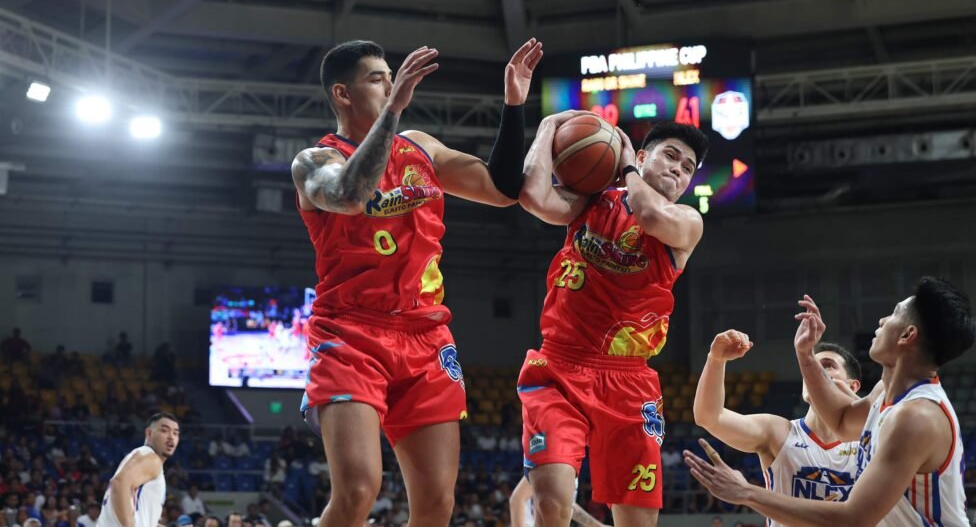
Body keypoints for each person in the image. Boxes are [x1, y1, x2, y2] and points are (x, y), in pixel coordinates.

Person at [290, 38, 543, 527]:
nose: (391, 84)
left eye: (392, 75)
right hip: (349, 333)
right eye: (377, 78)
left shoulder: (422, 147)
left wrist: (514, 105)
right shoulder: (314, 162)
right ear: (342, 93)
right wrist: (395, 110)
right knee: (359, 491)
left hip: (425, 336)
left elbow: (501, 190)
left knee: (436, 505)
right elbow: (350, 196)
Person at [517, 118, 708, 526]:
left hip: (628, 381)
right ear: (642, 156)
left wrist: (626, 170)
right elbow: (533, 197)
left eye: (688, 167)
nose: (678, 169)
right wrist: (549, 126)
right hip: (559, 367)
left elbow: (650, 217)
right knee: (551, 500)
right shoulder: (592, 201)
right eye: (670, 156)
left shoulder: (687, 221)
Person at [684, 276, 976, 527]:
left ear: (907, 335)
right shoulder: (884, 396)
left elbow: (852, 520)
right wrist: (805, 354)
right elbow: (841, 419)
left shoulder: (916, 418)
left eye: (894, 314)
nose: (882, 320)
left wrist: (746, 492)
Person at [693, 330, 862, 513]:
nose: (816, 373)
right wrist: (716, 360)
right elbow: (709, 417)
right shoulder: (778, 432)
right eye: (810, 368)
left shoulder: (870, 441)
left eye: (827, 366)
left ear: (852, 386)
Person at [97, 413, 180, 527]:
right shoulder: (151, 458)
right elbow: (119, 483)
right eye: (164, 431)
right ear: (149, 433)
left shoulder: (140, 458)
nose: (171, 437)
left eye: (175, 433)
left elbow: (143, 522)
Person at [509, 477, 608, 527]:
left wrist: (597, 525)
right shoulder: (554, 459)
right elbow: (517, 498)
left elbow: (566, 507)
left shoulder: (571, 464)